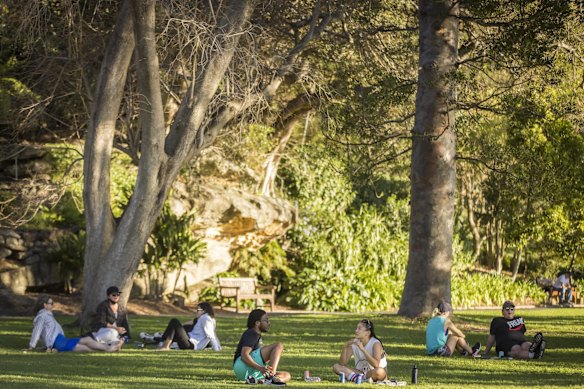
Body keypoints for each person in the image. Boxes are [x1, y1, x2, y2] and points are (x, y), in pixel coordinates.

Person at [28, 294, 122, 352]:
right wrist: (31, 346)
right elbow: (37, 331)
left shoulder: (47, 315)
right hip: (58, 343)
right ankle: (109, 348)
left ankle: (108, 347)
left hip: (61, 340)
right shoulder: (42, 317)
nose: (52, 305)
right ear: (44, 305)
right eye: (51, 303)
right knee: (85, 346)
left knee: (87, 341)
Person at [233, 309, 291, 386]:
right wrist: (260, 368)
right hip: (241, 365)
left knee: (286, 375)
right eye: (266, 320)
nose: (269, 323)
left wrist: (262, 369)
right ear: (257, 323)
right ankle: (270, 378)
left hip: (246, 373)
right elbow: (244, 355)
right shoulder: (252, 334)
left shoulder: (255, 334)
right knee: (278, 346)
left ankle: (260, 380)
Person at [145, 302, 221, 351]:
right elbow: (213, 334)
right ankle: (159, 339)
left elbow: (211, 335)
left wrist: (216, 348)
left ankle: (165, 346)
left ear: (204, 310)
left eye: (198, 310)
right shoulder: (205, 318)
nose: (196, 311)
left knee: (174, 321)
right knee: (178, 326)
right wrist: (219, 347)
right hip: (190, 340)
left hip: (190, 344)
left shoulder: (206, 318)